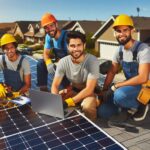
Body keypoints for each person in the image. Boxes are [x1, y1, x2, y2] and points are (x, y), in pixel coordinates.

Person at [97, 14, 150, 121]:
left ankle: (144, 103)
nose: (121, 34)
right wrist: (105, 90)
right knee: (103, 112)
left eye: (125, 30)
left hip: (146, 86)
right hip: (131, 85)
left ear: (132, 30)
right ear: (114, 33)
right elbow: (112, 72)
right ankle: (124, 107)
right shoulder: (119, 51)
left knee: (119, 95)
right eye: (118, 31)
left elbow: (143, 78)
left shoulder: (143, 49)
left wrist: (116, 86)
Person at [51, 31, 100, 121]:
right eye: (72, 46)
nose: (76, 49)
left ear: (84, 45)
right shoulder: (63, 62)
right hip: (73, 90)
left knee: (87, 107)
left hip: (89, 93)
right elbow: (55, 85)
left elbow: (89, 89)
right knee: (54, 99)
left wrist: (69, 102)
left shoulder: (92, 61)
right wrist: (55, 101)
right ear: (68, 47)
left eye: (79, 45)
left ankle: (92, 127)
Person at [37, 12, 69, 91]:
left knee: (65, 89)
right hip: (59, 64)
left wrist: (60, 64)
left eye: (51, 25)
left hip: (69, 66)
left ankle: (67, 89)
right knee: (40, 63)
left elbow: (73, 57)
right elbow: (45, 53)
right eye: (46, 27)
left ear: (56, 24)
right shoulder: (49, 37)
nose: (49, 29)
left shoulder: (67, 36)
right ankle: (43, 89)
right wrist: (48, 62)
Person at [0, 33, 31, 98]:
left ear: (15, 47)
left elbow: (28, 85)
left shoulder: (24, 62)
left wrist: (16, 94)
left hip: (22, 94)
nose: (9, 51)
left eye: (12, 47)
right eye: (6, 48)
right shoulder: (2, 60)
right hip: (8, 93)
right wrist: (1, 86)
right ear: (3, 50)